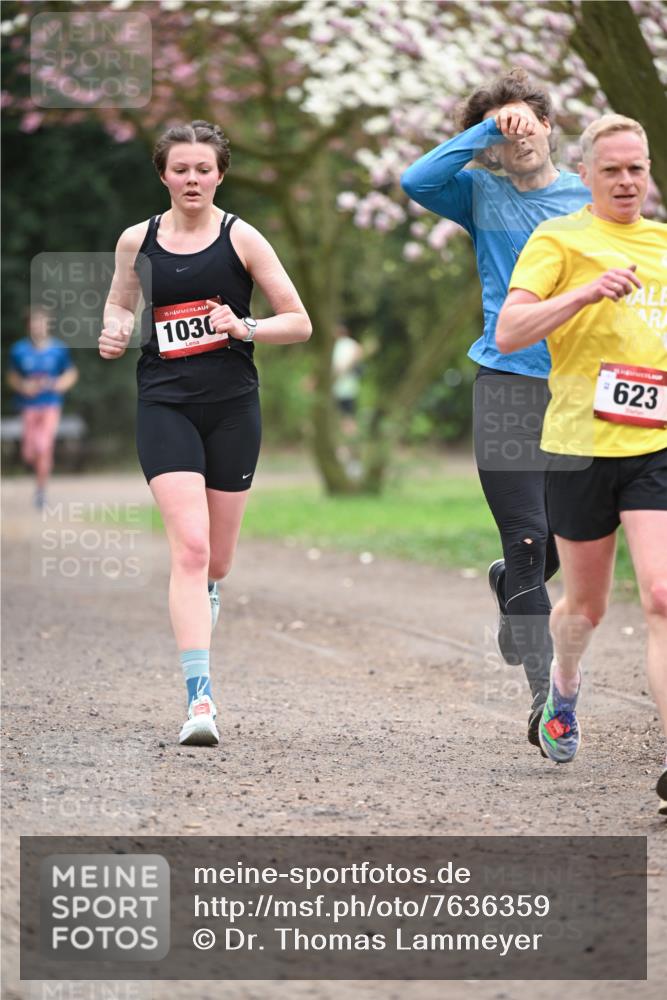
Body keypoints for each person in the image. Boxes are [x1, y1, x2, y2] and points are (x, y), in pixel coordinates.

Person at [99, 120, 311, 747]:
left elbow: (298, 322)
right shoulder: (136, 240)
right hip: (163, 404)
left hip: (231, 409)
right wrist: (112, 329)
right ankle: (200, 698)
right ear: (163, 174)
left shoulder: (241, 237)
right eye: (181, 169)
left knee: (216, 560)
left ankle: (206, 594)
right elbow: (119, 303)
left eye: (204, 169)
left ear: (220, 174)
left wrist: (244, 327)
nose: (192, 179)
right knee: (189, 549)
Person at [401, 69, 590, 751]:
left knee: (567, 540)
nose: (517, 137)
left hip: (577, 388)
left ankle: (512, 586)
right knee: (528, 537)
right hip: (507, 382)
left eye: (525, 121)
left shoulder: (587, 195)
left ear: (547, 123)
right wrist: (485, 128)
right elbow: (414, 181)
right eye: (504, 131)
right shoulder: (479, 192)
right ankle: (547, 704)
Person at [496, 114, 667, 814]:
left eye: (636, 167)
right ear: (586, 176)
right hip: (576, 445)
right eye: (612, 170)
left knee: (661, 595)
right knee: (586, 606)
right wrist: (582, 293)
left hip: (654, 446)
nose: (626, 181)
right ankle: (561, 689)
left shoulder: (662, 244)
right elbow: (508, 333)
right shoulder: (558, 239)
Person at [7, 305, 79, 509]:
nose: (38, 326)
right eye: (34, 323)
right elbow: (12, 377)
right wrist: (23, 386)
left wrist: (59, 384)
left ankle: (41, 491)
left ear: (48, 325)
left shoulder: (59, 349)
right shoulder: (18, 350)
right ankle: (34, 464)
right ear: (28, 326)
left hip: (51, 404)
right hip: (29, 406)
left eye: (42, 322)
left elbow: (71, 374)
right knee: (30, 452)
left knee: (44, 446)